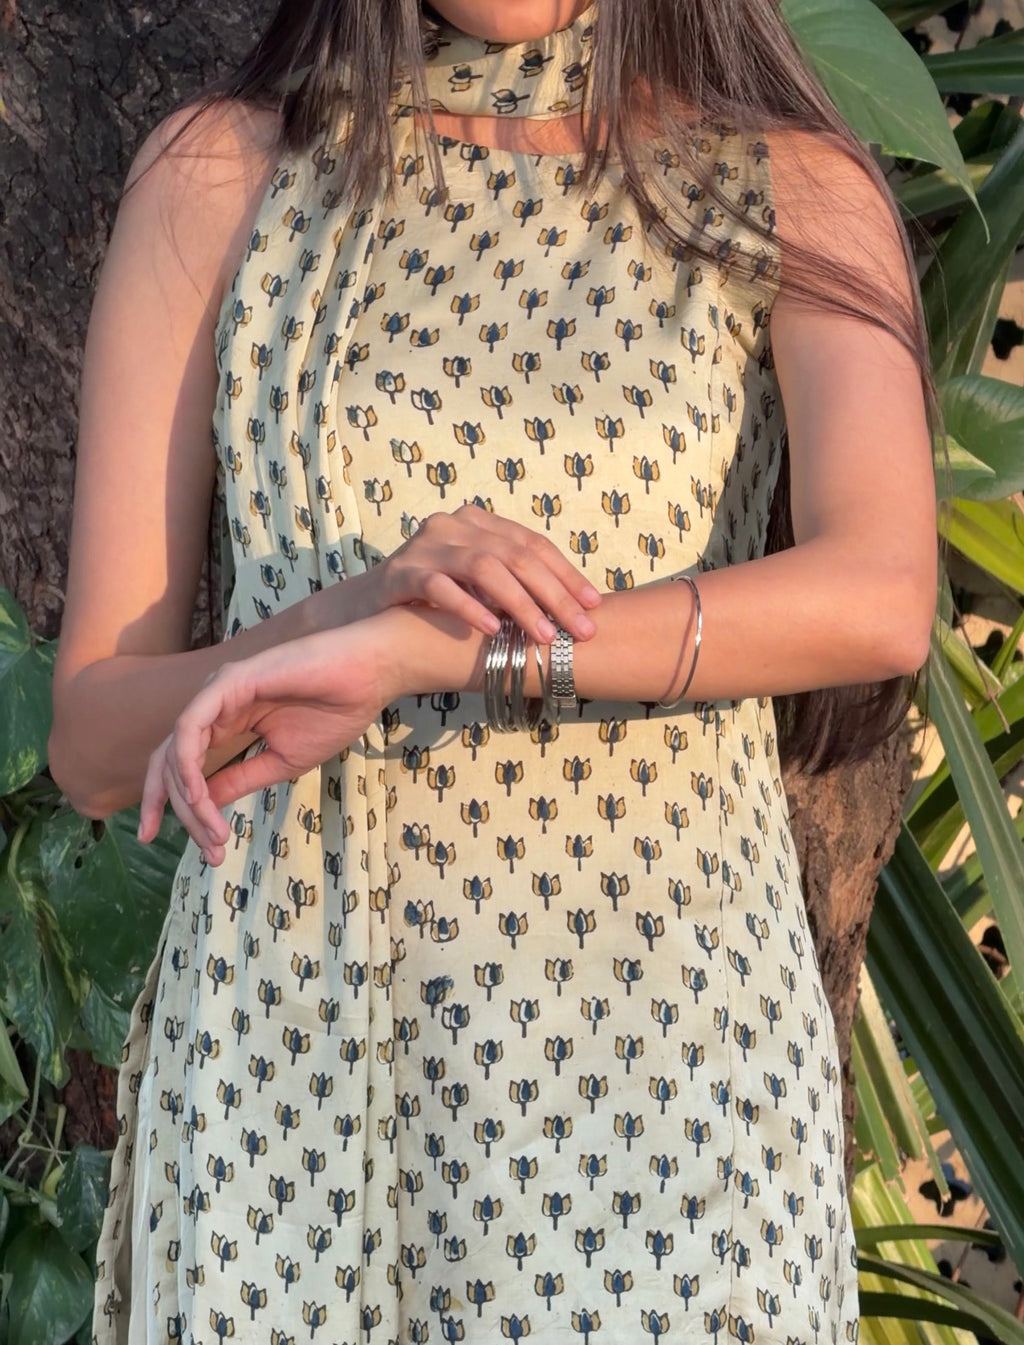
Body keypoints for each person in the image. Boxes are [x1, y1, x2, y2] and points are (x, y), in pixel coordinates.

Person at [49, 0, 938, 1340]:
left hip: (672, 1093)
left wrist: (444, 648)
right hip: (296, 1092)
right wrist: (348, 616)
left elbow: (881, 596)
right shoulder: (220, 178)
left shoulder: (791, 188)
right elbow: (94, 743)